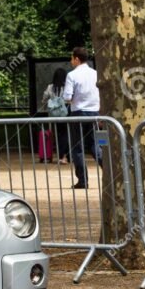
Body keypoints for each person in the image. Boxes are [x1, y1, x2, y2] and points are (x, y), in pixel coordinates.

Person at [63, 47, 101, 189]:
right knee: (94, 145)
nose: (71, 60)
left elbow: (67, 97)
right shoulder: (96, 74)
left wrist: (71, 100)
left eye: (72, 58)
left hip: (78, 113)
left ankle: (83, 180)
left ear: (77, 59)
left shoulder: (72, 75)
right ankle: (109, 172)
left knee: (77, 148)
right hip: (94, 113)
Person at [42, 68, 70, 164]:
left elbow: (44, 99)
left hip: (55, 114)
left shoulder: (50, 87)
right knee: (68, 134)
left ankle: (62, 156)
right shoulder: (66, 86)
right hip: (66, 113)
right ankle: (67, 156)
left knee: (60, 134)